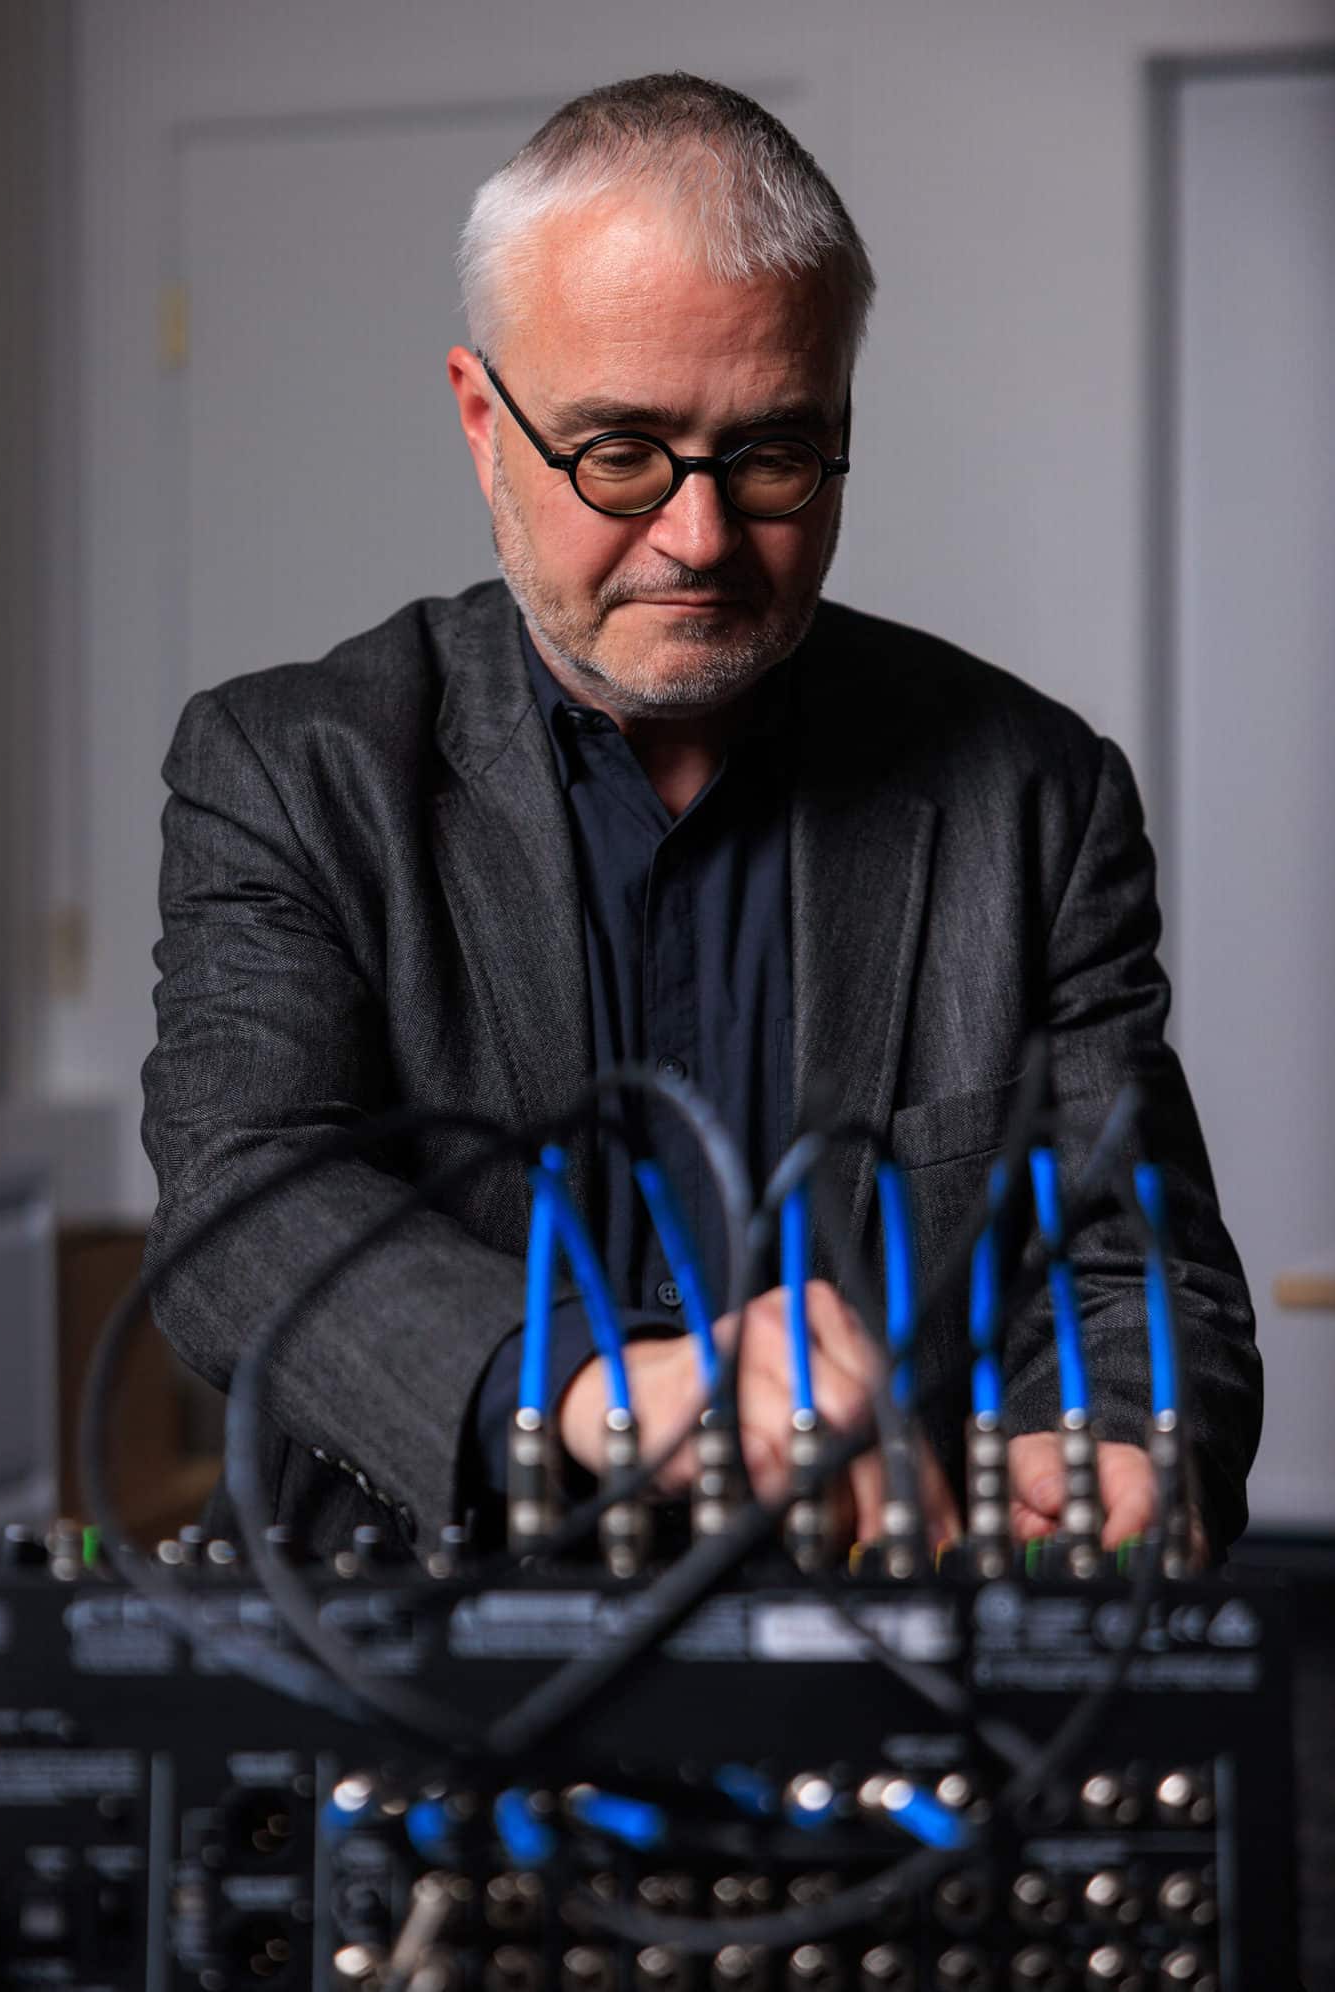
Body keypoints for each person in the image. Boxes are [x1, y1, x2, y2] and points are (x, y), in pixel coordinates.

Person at [141, 72, 1260, 1569]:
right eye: (617, 454)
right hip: (415, 1693)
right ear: (483, 421)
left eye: (773, 456)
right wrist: (594, 1394)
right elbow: (247, 1207)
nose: (699, 537)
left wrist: (1113, 1439)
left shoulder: (1032, 798)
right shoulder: (287, 768)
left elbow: (1127, 1265)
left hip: (887, 1689)